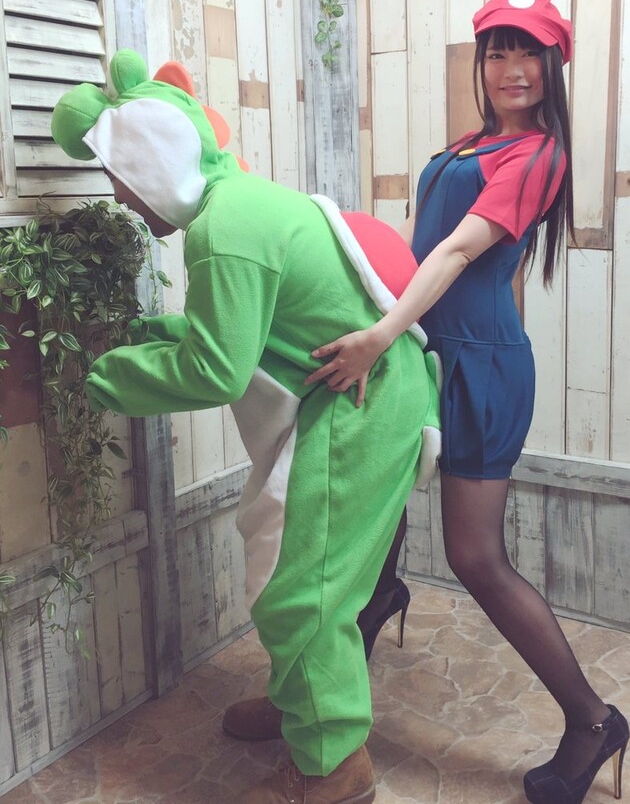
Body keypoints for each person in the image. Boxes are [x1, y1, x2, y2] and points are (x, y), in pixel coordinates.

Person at [50, 49, 441, 804]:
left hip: (362, 405)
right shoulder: (238, 203)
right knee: (298, 575)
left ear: (154, 161)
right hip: (368, 395)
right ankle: (304, 707)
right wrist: (147, 337)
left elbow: (215, 371)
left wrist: (99, 376)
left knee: (304, 590)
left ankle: (333, 764)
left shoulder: (221, 228)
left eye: (120, 177)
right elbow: (235, 333)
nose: (121, 199)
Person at [305, 0, 630, 804]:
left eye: (528, 53)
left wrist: (379, 334)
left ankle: (594, 722)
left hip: (480, 367)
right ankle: (344, 663)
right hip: (426, 351)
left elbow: (453, 252)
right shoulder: (471, 146)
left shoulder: (540, 155)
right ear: (481, 63)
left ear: (551, 66)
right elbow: (432, 251)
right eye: (496, 52)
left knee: (475, 556)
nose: (511, 68)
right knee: (375, 506)